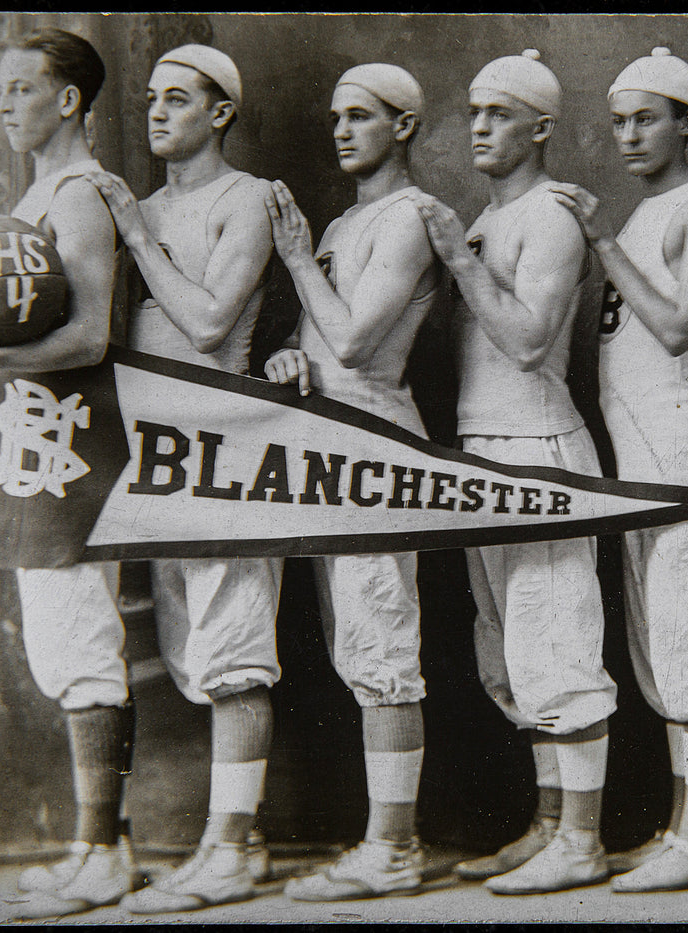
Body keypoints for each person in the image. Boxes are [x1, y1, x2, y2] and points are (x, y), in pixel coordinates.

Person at [0, 28, 139, 920]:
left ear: (69, 101)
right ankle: (98, 844)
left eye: (21, 89)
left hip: (75, 445)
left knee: (83, 642)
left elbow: (88, 338)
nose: (5, 105)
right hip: (35, 441)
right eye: (2, 90)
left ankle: (104, 852)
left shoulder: (79, 196)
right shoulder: (39, 193)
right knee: (58, 643)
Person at [410, 49, 618, 896]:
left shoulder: (551, 217)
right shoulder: (482, 216)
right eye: (474, 112)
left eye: (499, 113)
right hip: (479, 451)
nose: (480, 128)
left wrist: (459, 263)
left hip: (538, 452)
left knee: (557, 642)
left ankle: (583, 837)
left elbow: (531, 343)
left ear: (540, 127)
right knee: (506, 653)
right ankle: (547, 823)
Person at [83, 44, 284, 912]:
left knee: (234, 649)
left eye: (178, 100)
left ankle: (228, 849)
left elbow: (207, 324)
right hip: (156, 456)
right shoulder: (150, 202)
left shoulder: (248, 201)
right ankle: (243, 840)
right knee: (191, 651)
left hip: (227, 450)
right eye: (152, 100)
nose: (158, 113)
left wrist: (133, 234)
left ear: (222, 113)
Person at [547, 48, 688, 893]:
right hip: (638, 450)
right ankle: (680, 827)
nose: (628, 135)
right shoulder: (638, 214)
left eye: (646, 119)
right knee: (659, 639)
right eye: (619, 120)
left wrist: (595, 239)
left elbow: (676, 325)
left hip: (684, 440)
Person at [261, 63, 441, 901]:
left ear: (403, 126)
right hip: (327, 450)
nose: (340, 130)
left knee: (381, 646)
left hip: (376, 448)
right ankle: (384, 840)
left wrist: (297, 260)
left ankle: (393, 848)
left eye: (361, 117)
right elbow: (320, 345)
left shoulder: (406, 218)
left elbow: (363, 345)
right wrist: (287, 355)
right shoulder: (342, 222)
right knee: (355, 642)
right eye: (335, 116)